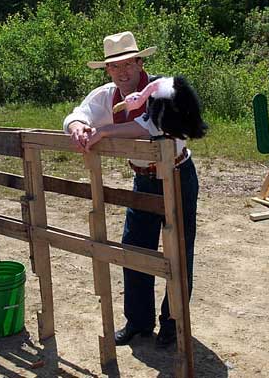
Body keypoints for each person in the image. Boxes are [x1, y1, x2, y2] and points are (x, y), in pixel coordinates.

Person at [63, 31, 199, 348]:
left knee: (178, 250)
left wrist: (104, 130)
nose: (123, 72)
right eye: (115, 66)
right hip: (142, 178)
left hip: (176, 174)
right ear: (108, 70)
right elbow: (75, 114)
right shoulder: (105, 95)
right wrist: (79, 127)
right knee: (134, 250)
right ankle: (138, 322)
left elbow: (150, 127)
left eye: (128, 64)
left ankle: (173, 323)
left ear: (140, 62)